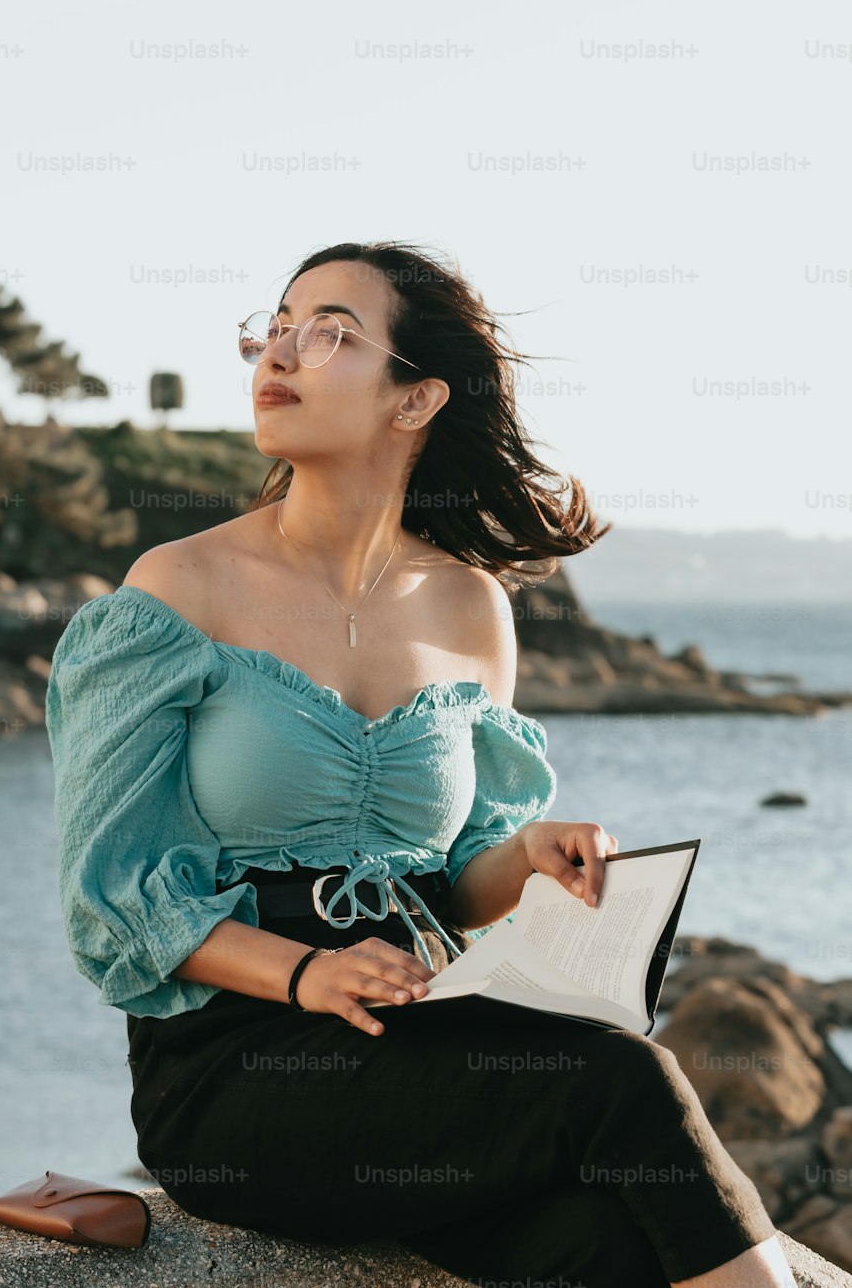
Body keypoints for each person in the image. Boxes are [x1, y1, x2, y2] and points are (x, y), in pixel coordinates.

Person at [46, 241, 796, 1288]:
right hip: (235, 1066)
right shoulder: (176, 590)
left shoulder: (469, 606)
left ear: (416, 401)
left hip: (424, 1023)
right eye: (278, 323)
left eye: (331, 332)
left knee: (606, 1243)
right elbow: (110, 901)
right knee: (620, 1078)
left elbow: (455, 879)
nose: (281, 350)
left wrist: (528, 854)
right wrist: (310, 973)